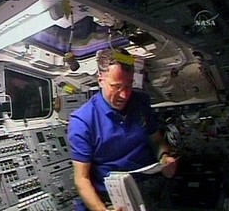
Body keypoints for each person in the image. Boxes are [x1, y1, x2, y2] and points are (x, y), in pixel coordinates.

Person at [68, 48, 177, 211]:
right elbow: (82, 179)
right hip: (112, 198)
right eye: (116, 86)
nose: (125, 95)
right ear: (100, 80)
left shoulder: (140, 102)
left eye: (129, 85)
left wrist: (164, 156)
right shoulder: (82, 121)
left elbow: (156, 139)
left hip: (149, 188)